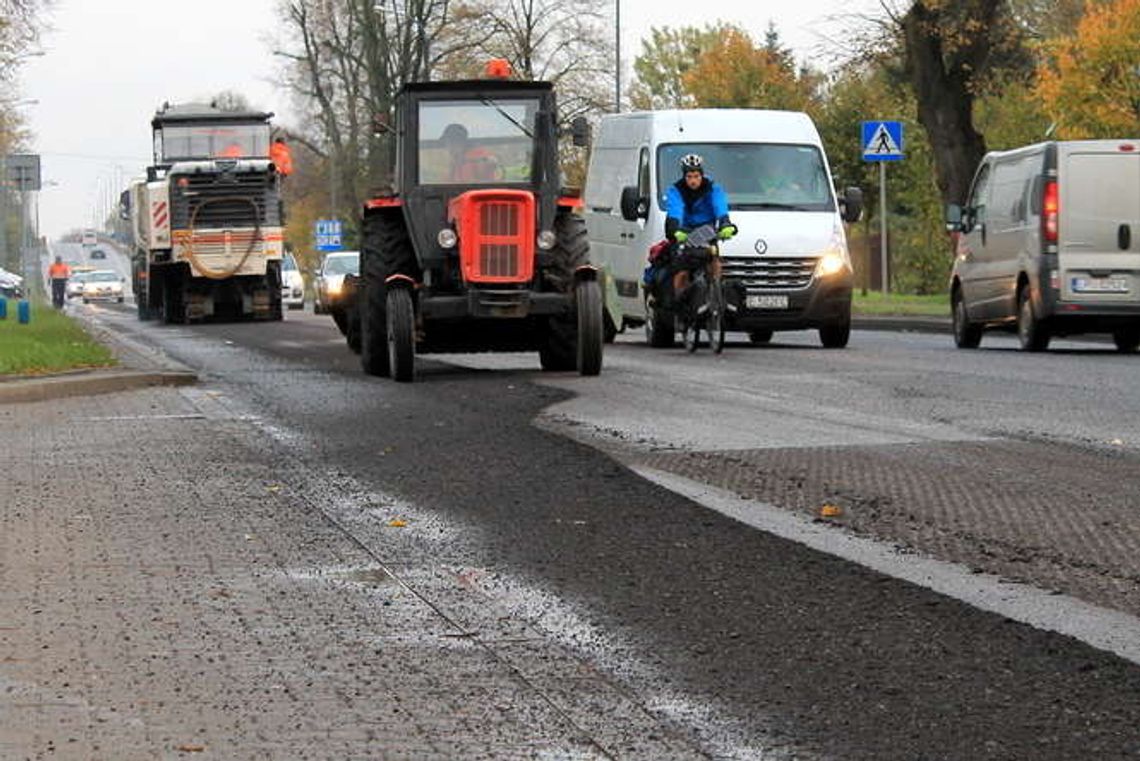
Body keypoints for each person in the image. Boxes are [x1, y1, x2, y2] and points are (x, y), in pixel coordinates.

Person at [664, 153, 737, 299]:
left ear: (702, 175)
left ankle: (716, 296)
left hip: (706, 231)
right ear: (684, 176)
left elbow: (719, 206)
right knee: (682, 270)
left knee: (714, 261)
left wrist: (725, 223)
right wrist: (675, 230)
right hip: (685, 231)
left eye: (696, 176)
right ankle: (680, 304)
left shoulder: (712, 188)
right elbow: (675, 211)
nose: (693, 181)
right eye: (689, 176)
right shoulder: (676, 190)